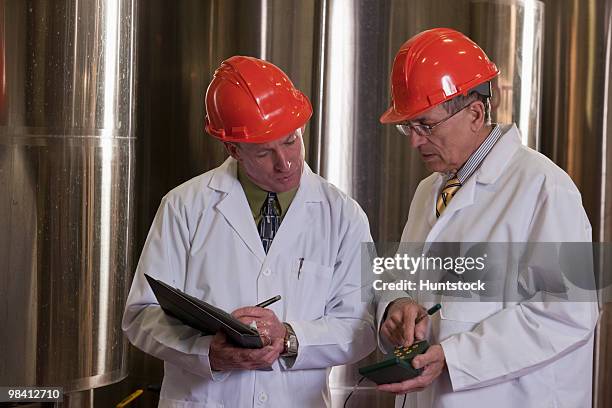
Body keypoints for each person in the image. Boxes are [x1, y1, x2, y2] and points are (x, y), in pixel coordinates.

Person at [122, 55, 376, 408]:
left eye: (291, 141)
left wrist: (289, 337)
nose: (285, 163)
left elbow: (362, 326)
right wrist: (207, 353)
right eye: (263, 152)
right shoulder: (184, 205)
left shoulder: (345, 215)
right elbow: (141, 315)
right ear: (233, 149)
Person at [375, 28, 598, 408]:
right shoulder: (429, 192)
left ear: (475, 113)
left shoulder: (544, 187)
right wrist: (395, 307)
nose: (414, 141)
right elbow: (402, 276)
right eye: (407, 127)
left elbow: (568, 314)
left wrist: (456, 357)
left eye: (425, 125)